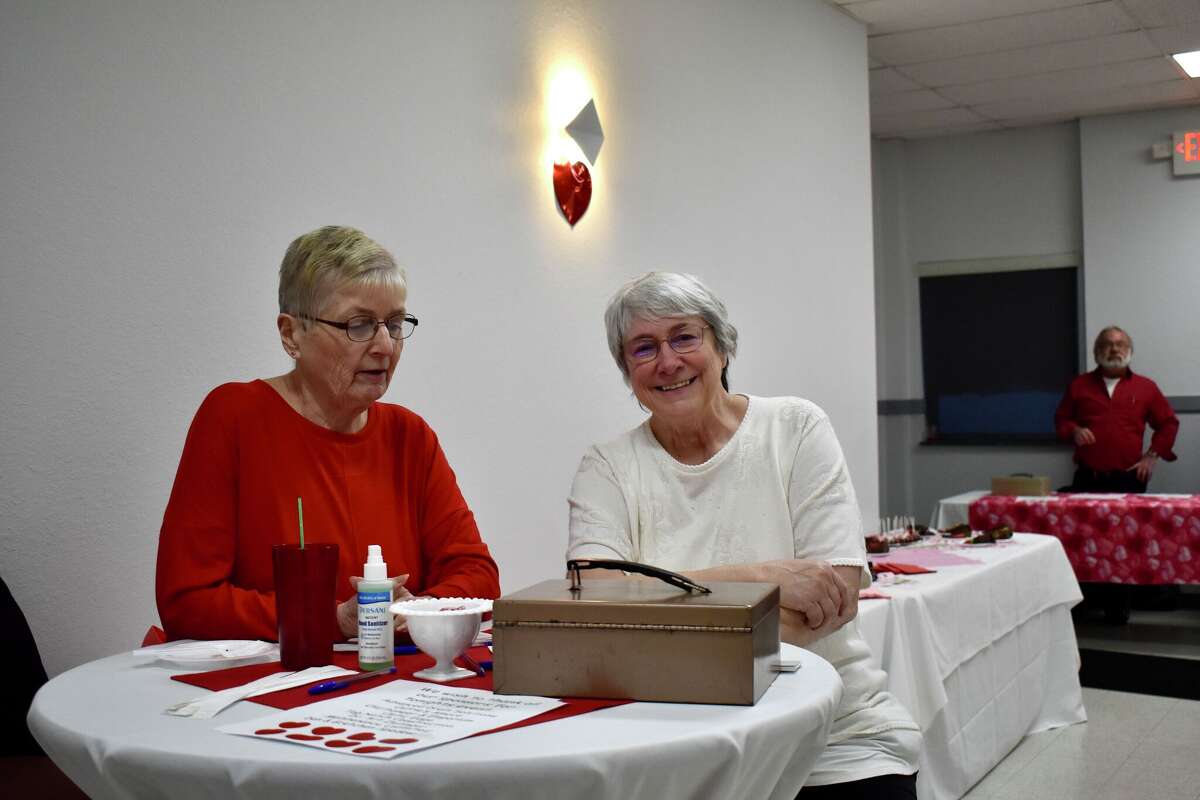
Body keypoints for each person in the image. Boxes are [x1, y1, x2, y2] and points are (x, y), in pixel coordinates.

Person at [567, 272, 920, 798]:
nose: (668, 361)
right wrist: (764, 577)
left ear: (723, 346)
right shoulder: (608, 466)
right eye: (644, 348)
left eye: (685, 337)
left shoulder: (796, 428)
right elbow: (592, 597)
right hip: (671, 739)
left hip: (833, 738)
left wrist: (649, 621)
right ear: (628, 371)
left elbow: (836, 597)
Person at [156, 226, 499, 641]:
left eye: (394, 324)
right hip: (267, 692)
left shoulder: (410, 435)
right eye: (359, 325)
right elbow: (188, 601)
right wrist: (329, 618)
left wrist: (417, 611)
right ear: (291, 335)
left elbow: (477, 574)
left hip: (391, 689)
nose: (385, 347)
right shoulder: (234, 417)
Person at [1055, 325, 1178, 493]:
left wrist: (1152, 455)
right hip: (1088, 479)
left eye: (1120, 344)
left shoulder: (1146, 387)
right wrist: (1074, 430)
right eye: (1107, 344)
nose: (1114, 349)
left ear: (1130, 351)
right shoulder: (1079, 385)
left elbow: (1168, 423)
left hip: (1129, 480)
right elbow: (1061, 420)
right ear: (1096, 352)